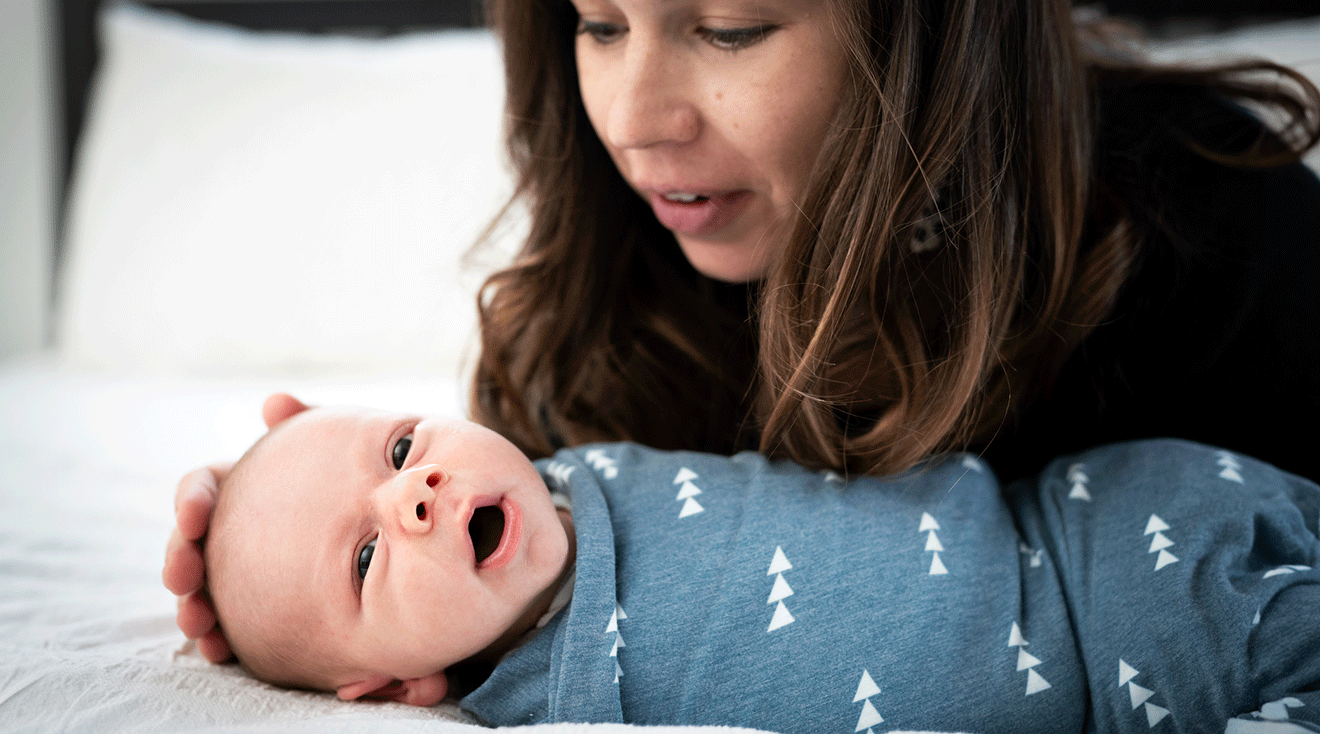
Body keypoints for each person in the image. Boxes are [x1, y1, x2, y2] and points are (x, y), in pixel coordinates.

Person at [167, 0, 1320, 661]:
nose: (631, 122)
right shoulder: (613, 294)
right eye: (599, 23)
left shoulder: (1213, 225)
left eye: (729, 27)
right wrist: (301, 542)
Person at [202, 394, 1319, 732]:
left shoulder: (563, 458)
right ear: (397, 686)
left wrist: (282, 470)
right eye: (363, 556)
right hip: (1138, 681)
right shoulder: (546, 705)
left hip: (1110, 524)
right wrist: (257, 554)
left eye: (400, 447)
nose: (414, 490)